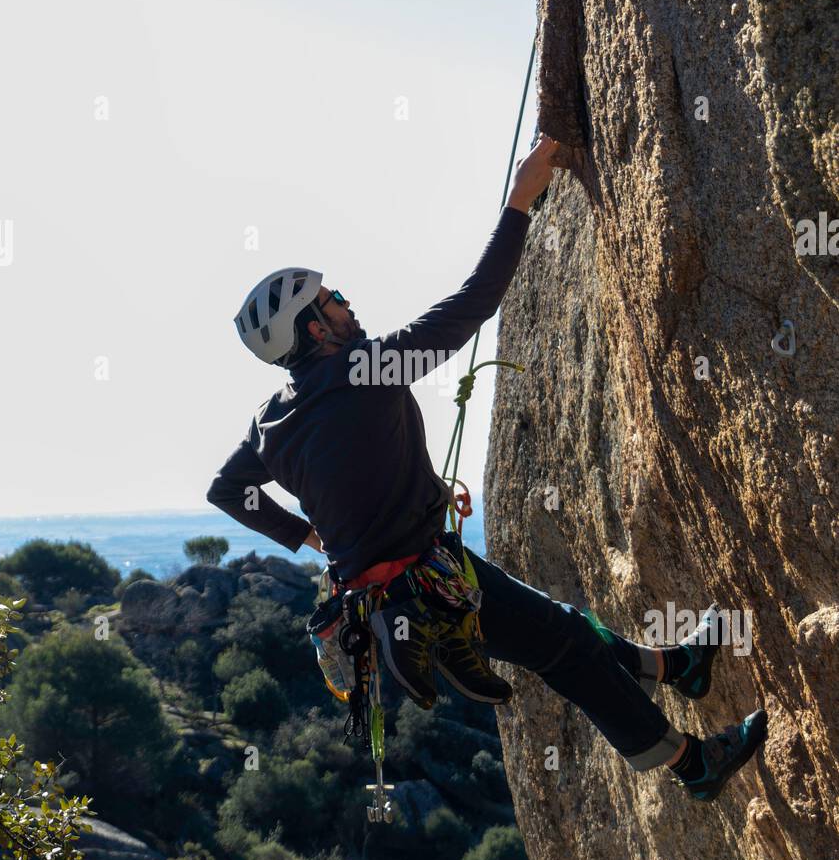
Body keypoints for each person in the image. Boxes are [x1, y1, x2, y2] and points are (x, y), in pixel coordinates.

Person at [207, 135, 767, 802]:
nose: (345, 302)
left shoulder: (270, 419)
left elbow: (226, 489)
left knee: (561, 623)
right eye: (330, 299)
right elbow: (472, 304)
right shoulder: (362, 368)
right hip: (428, 585)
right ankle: (689, 764)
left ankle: (678, 666)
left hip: (404, 585)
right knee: (568, 653)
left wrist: (305, 537)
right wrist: (519, 202)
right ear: (313, 328)